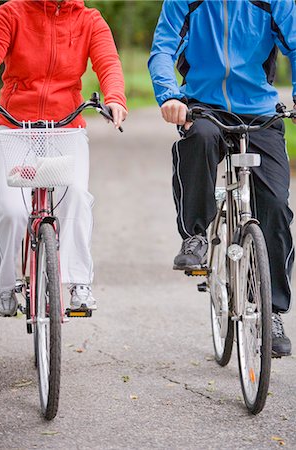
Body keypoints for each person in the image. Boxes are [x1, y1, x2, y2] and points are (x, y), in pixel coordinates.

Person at [149, 0, 296, 357]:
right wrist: (169, 95)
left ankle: (270, 310)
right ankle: (195, 235)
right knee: (198, 138)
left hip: (259, 108)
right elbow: (163, 48)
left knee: (275, 204)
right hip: (203, 104)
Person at [0, 0, 127, 316]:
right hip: (14, 129)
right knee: (11, 211)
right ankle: (4, 285)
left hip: (65, 129)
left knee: (77, 198)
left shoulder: (89, 20)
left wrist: (115, 99)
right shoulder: (11, 13)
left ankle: (79, 283)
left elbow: (108, 63)